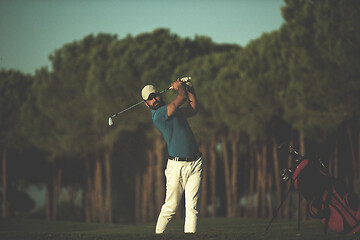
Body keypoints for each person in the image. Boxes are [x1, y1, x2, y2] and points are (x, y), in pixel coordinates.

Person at [141, 77, 203, 234]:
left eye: (155, 95)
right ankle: (158, 235)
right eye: (150, 99)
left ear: (159, 95)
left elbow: (193, 108)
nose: (154, 99)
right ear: (146, 104)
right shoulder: (159, 115)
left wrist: (190, 88)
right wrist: (180, 87)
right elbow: (181, 98)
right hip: (176, 167)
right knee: (171, 207)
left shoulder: (173, 111)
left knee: (192, 207)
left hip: (195, 162)